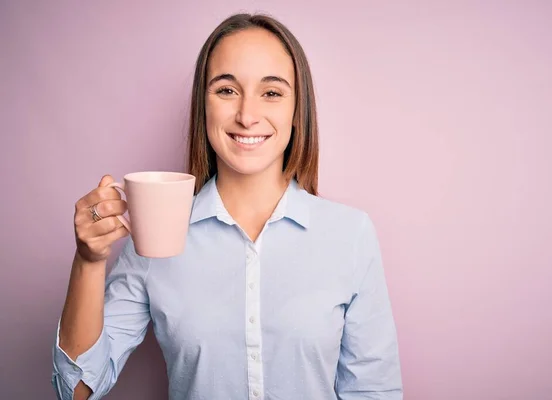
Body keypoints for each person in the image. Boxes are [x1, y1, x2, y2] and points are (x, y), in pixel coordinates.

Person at [52, 12, 403, 400]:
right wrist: (88, 260)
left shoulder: (350, 236)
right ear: (204, 107)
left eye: (271, 92)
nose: (247, 116)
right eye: (226, 90)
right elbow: (77, 390)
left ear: (296, 110)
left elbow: (374, 392)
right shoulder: (152, 238)